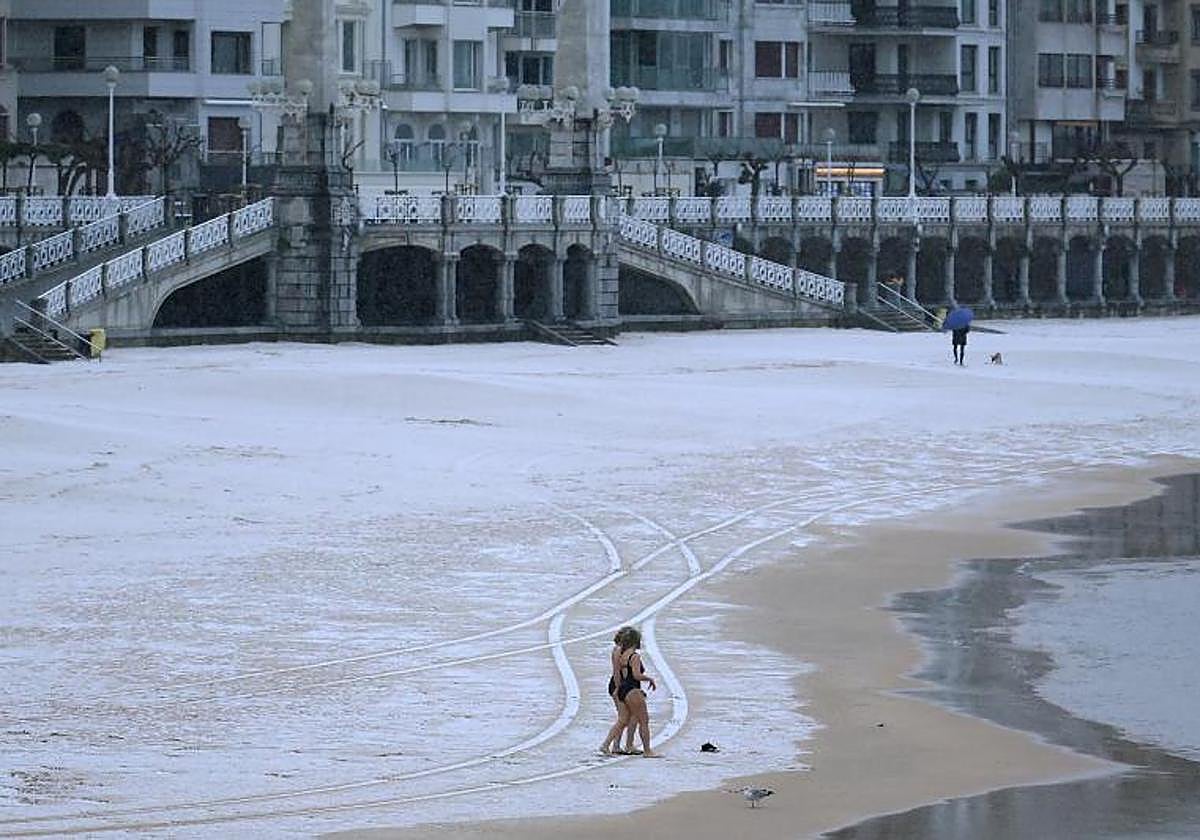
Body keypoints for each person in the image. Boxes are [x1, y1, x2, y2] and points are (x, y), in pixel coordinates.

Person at [600, 627, 659, 758]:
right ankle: (646, 750)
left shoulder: (622, 654)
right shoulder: (633, 656)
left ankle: (621, 745)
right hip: (629, 688)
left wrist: (619, 688)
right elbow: (635, 675)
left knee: (628, 718)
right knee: (641, 719)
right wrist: (649, 678)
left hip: (623, 687)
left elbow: (618, 672)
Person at [600, 627, 638, 755]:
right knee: (623, 718)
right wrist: (618, 689)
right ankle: (606, 744)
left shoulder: (622, 650)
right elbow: (616, 672)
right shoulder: (617, 651)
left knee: (626, 717)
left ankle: (616, 745)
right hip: (619, 685)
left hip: (623, 685)